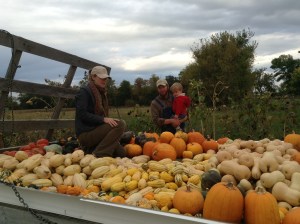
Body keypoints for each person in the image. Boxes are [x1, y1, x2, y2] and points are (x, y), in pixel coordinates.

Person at [75, 65, 126, 158]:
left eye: (106, 78)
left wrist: (105, 121)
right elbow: (82, 114)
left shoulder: (101, 93)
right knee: (121, 124)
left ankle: (90, 150)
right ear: (93, 77)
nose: (104, 80)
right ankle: (98, 155)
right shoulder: (84, 91)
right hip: (85, 134)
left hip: (96, 131)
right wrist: (103, 119)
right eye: (102, 78)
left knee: (121, 153)